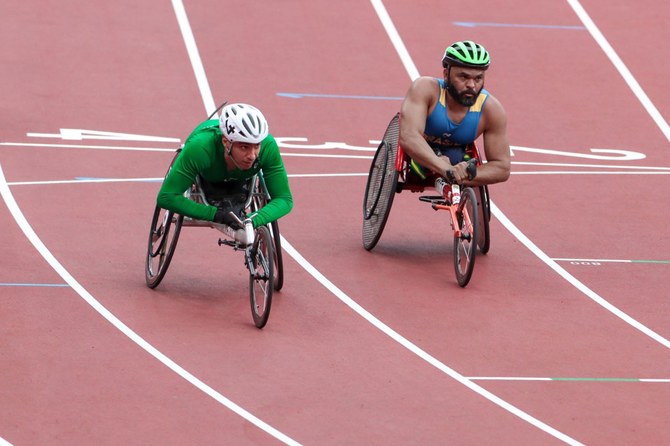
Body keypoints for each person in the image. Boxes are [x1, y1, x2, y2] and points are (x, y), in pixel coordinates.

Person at [156, 103, 293, 239]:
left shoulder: (268, 147)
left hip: (241, 179)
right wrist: (216, 214)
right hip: (208, 176)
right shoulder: (200, 148)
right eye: (244, 147)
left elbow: (284, 199)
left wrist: (251, 221)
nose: (252, 155)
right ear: (226, 142)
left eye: (256, 146)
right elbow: (167, 197)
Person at [398, 40, 510, 186]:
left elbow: (502, 167)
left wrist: (467, 174)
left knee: (458, 159)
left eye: (478, 78)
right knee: (421, 160)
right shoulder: (425, 89)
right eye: (463, 77)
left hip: (456, 157)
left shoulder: (491, 110)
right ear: (446, 74)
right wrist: (445, 168)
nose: (471, 85)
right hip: (419, 152)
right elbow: (409, 137)